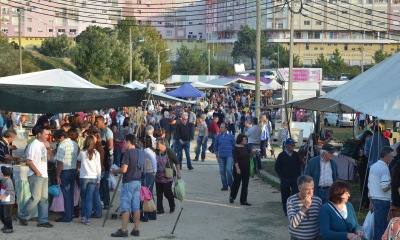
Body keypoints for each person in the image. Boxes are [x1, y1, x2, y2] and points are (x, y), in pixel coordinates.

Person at [17, 126, 54, 228]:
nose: (48, 136)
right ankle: (22, 215)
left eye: (48, 134)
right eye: (46, 134)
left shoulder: (42, 144)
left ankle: (43, 220)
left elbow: (48, 157)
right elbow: (29, 160)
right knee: (36, 198)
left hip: (43, 174)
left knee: (44, 199)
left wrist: (48, 147)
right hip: (36, 174)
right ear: (39, 134)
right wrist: (37, 172)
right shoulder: (34, 145)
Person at [111, 134, 142, 237]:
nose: (123, 144)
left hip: (129, 181)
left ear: (128, 142)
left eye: (125, 142)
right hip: (138, 181)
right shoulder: (141, 152)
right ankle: (136, 229)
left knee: (125, 207)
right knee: (136, 207)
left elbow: (124, 169)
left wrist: (115, 171)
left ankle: (124, 230)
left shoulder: (128, 153)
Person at [368, 146, 394, 240]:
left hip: (375, 199)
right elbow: (385, 188)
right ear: (386, 157)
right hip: (383, 201)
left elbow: (369, 185)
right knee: (383, 228)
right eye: (391, 156)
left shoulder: (373, 166)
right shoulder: (384, 169)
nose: (392, 159)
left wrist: (370, 201)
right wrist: (394, 183)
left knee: (378, 227)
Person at [54, 130, 79, 223]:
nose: (57, 141)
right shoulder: (74, 144)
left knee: (65, 195)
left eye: (57, 139)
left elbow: (60, 162)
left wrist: (58, 175)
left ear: (61, 137)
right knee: (71, 194)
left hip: (64, 171)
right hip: (72, 170)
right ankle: (70, 214)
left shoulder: (62, 145)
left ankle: (67, 216)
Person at [287, 175, 322, 240]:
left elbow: (321, 221)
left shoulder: (317, 201)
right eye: (307, 189)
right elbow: (293, 223)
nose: (310, 192)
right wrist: (305, 207)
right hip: (297, 238)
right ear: (299, 188)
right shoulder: (291, 200)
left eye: (312, 188)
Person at [76, 136, 102, 225]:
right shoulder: (96, 153)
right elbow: (98, 168)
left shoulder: (83, 153)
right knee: (90, 198)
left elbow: (78, 160)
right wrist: (99, 180)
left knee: (83, 198)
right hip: (94, 177)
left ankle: (83, 216)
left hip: (84, 177)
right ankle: (88, 218)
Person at [275, 138, 302, 216]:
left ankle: (296, 209)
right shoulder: (281, 155)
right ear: (287, 146)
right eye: (291, 145)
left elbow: (299, 165)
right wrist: (282, 176)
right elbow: (277, 167)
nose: (293, 147)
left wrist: (298, 175)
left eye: (294, 145)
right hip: (285, 179)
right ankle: (286, 210)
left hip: (294, 178)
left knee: (296, 194)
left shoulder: (296, 155)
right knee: (285, 195)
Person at [154, 137, 182, 214]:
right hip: (158, 175)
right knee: (159, 193)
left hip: (168, 175)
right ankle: (160, 209)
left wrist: (179, 173)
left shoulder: (169, 151)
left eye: (158, 144)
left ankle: (172, 205)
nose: (157, 145)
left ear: (163, 144)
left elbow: (177, 162)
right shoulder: (156, 151)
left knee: (167, 192)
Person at [230, 134, 255, 205]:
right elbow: (235, 160)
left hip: (246, 169)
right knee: (236, 184)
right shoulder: (235, 149)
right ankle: (232, 196)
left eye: (246, 139)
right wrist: (237, 168)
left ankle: (243, 200)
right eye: (245, 139)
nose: (246, 140)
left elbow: (249, 156)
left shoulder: (246, 147)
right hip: (238, 169)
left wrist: (253, 153)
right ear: (240, 140)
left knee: (245, 185)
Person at [95, 115, 113, 210]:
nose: (96, 123)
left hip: (106, 159)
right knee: (101, 182)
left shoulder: (108, 132)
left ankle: (107, 202)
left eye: (97, 121)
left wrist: (101, 149)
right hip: (101, 159)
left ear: (102, 121)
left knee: (104, 183)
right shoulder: (100, 132)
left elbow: (110, 146)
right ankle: (102, 201)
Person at [352, 130, 373, 209]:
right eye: (368, 137)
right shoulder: (361, 145)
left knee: (370, 185)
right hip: (363, 166)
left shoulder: (373, 145)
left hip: (370, 166)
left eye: (370, 137)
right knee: (363, 185)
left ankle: (368, 201)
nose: (369, 139)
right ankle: (364, 202)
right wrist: (360, 155)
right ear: (364, 137)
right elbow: (354, 155)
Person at [215, 123, 236, 191]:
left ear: (226, 128)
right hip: (221, 156)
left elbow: (234, 146)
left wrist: (234, 156)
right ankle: (225, 185)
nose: (220, 128)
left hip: (229, 156)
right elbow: (215, 147)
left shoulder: (231, 136)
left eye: (222, 127)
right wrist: (217, 156)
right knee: (222, 171)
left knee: (229, 170)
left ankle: (231, 184)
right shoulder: (218, 136)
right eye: (220, 127)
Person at [0, 166, 15, 233]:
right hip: (3, 201)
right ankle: (6, 225)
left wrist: (1, 197)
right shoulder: (4, 180)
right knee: (2, 215)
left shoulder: (8, 182)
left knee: (6, 215)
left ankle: (10, 227)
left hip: (8, 202)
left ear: (2, 173)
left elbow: (8, 192)